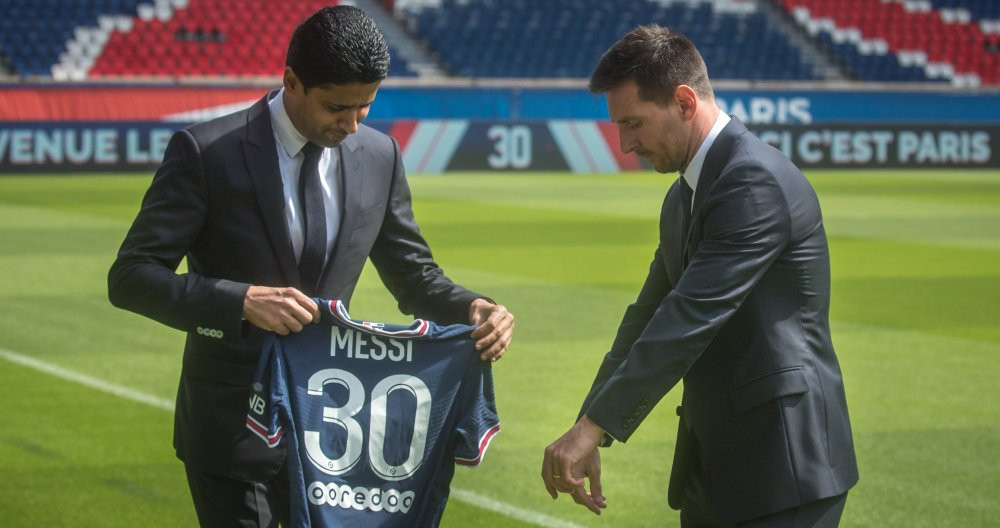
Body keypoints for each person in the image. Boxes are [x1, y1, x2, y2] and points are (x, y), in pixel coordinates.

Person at [108, 6, 514, 526]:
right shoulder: (206, 152)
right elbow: (132, 276)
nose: (351, 124)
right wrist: (240, 301)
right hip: (231, 424)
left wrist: (474, 306)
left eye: (365, 107)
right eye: (337, 107)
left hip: (333, 435)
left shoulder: (380, 155)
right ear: (291, 81)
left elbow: (413, 274)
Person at [541, 25, 858, 527]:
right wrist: (590, 423)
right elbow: (646, 317)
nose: (625, 145)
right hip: (715, 468)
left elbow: (688, 316)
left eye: (634, 124)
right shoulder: (683, 195)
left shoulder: (751, 182)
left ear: (685, 102)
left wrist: (596, 425)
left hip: (784, 469)